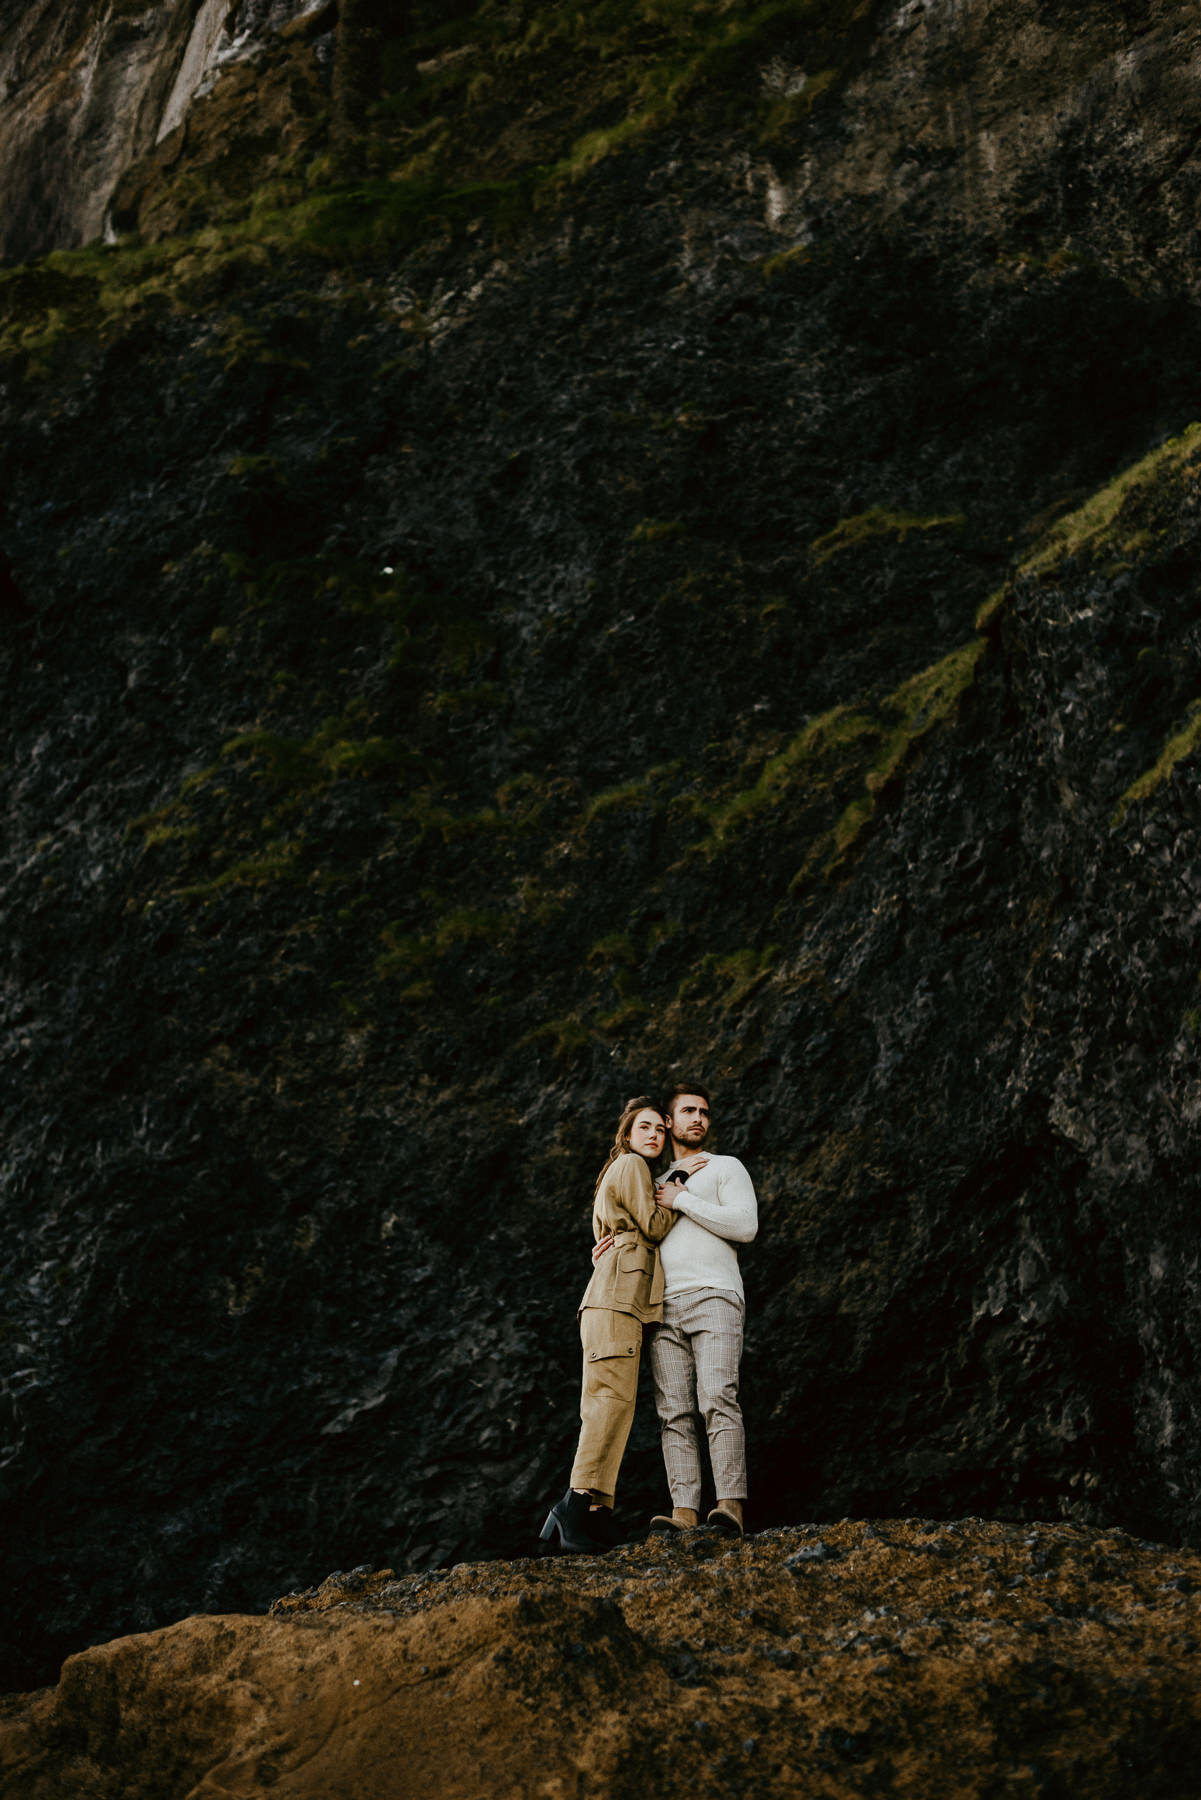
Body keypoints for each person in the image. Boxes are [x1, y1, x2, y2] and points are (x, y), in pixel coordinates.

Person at [596, 1081, 758, 1536]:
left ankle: (730, 1506)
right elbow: (636, 1229)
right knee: (673, 1412)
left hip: (716, 1296)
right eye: (688, 1111)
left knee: (718, 1398)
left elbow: (746, 1226)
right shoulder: (650, 1180)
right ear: (669, 1123)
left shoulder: (726, 1167)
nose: (699, 1119)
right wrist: (605, 1248)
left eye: (705, 1112)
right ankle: (684, 1510)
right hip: (661, 1307)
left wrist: (683, 1198)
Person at [540, 1097, 679, 1554]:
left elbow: (616, 1234)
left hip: (616, 1301)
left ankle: (596, 1513)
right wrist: (678, 1189)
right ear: (627, 1134)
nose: (655, 1134)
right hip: (615, 1303)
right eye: (645, 1127)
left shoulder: (619, 1171)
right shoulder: (634, 1165)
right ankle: (573, 1506)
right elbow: (655, 1225)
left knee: (614, 1406)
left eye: (661, 1128)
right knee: (607, 1404)